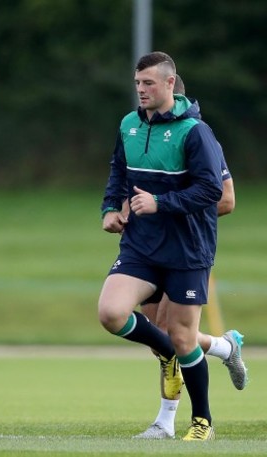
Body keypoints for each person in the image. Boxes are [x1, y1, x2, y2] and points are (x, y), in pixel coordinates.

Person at [99, 52, 226, 441]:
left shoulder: (195, 131)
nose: (141, 90)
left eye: (149, 83)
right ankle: (169, 353)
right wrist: (109, 208)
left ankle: (202, 420)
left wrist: (161, 203)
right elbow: (119, 171)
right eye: (138, 83)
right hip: (141, 244)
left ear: (170, 84)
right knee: (111, 312)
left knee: (185, 337)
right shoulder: (128, 125)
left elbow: (213, 190)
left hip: (187, 249)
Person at [132, 74, 248, 440]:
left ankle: (168, 421)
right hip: (148, 248)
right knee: (161, 340)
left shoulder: (197, 134)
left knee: (173, 334)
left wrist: (170, 208)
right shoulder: (142, 135)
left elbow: (225, 199)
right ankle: (225, 346)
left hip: (184, 249)